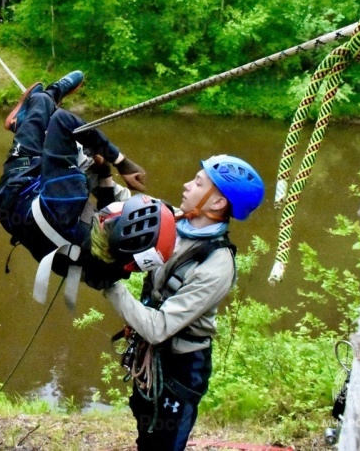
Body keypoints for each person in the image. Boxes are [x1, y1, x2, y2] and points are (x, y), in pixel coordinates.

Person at [104, 155, 265, 450]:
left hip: (181, 368)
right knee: (145, 426)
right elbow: (132, 211)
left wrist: (108, 284)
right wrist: (103, 175)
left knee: (165, 442)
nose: (187, 185)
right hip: (151, 355)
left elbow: (159, 327)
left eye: (198, 183)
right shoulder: (176, 221)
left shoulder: (217, 265)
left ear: (217, 203)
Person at [0, 71, 177, 308]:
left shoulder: (69, 200)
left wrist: (120, 161)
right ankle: (29, 122)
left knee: (43, 104)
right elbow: (105, 211)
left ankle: (37, 107)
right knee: (79, 153)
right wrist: (105, 173)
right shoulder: (115, 269)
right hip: (32, 227)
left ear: (111, 220)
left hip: (19, 189)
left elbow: (63, 121)